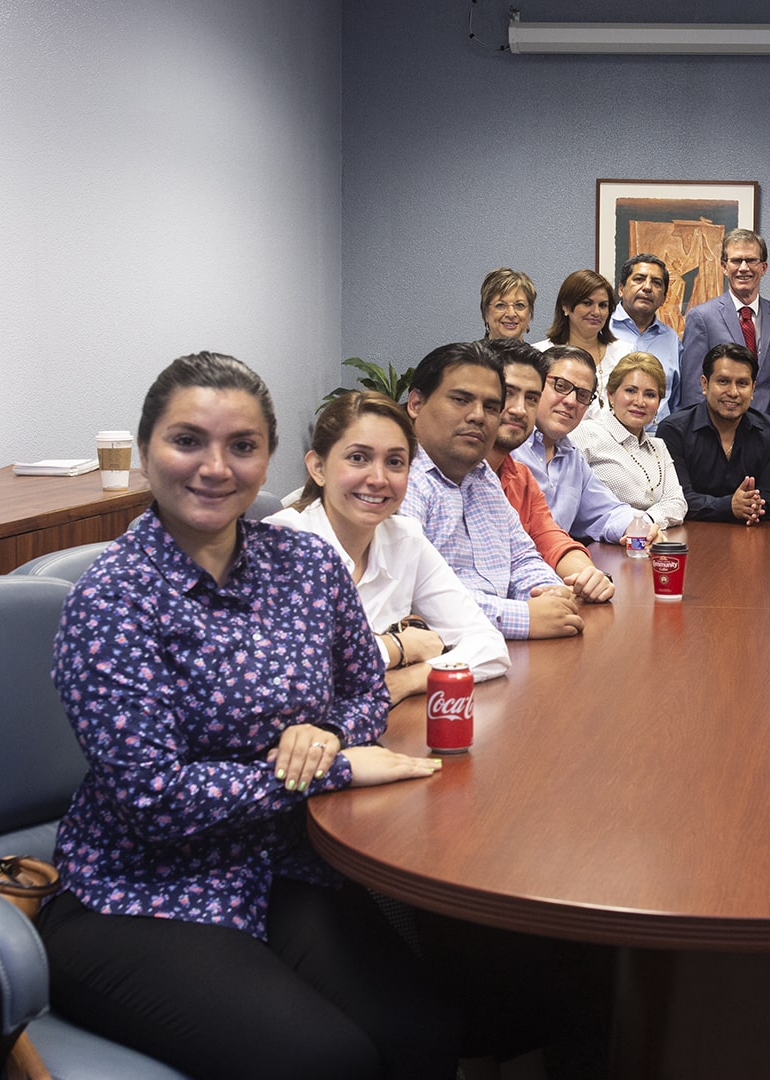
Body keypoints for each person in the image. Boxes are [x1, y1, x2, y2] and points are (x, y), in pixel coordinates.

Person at [37, 352, 469, 1080]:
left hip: (282, 866)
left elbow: (366, 689)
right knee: (322, 1061)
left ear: (269, 459)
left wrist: (326, 730)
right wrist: (327, 769)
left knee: (424, 1035)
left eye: (242, 446)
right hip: (137, 892)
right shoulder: (114, 599)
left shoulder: (306, 565)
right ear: (147, 453)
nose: (215, 467)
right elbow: (156, 801)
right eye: (187, 441)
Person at [266, 390, 511, 705]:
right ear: (318, 468)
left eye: (395, 462)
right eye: (358, 458)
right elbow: (296, 674)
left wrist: (408, 679)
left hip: (375, 721)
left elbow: (489, 648)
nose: (378, 478)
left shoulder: (405, 538)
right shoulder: (284, 540)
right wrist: (401, 647)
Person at [401, 341, 585, 640]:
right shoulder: (400, 480)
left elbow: (522, 556)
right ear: (416, 404)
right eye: (461, 399)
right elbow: (411, 600)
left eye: (490, 406)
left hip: (496, 652)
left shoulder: (482, 475)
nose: (478, 416)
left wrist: (547, 592)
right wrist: (523, 617)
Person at [481, 338, 616, 603]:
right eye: (508, 393)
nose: (520, 410)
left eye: (530, 398)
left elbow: (543, 544)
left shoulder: (517, 476)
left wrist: (586, 576)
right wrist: (531, 612)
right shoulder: (439, 475)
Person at [513, 345, 657, 546]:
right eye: (561, 386)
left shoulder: (572, 457)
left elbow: (606, 512)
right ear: (535, 385)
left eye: (582, 395)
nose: (571, 401)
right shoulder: (507, 448)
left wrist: (642, 528)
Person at [660, 342, 770, 525]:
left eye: (742, 383)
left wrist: (752, 506)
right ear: (705, 384)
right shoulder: (674, 431)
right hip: (691, 536)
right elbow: (677, 498)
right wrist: (729, 506)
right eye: (723, 381)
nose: (733, 392)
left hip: (752, 535)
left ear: (753, 389)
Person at [677, 228, 770, 414]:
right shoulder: (702, 317)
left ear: (763, 268)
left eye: (751, 260)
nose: (743, 268)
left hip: (764, 433)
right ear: (724, 267)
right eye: (736, 261)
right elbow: (693, 389)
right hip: (715, 430)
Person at [573, 351, 688, 528]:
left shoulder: (659, 447)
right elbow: (576, 504)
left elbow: (677, 503)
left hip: (650, 542)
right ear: (611, 395)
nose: (640, 402)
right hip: (598, 546)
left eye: (650, 394)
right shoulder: (586, 435)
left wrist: (644, 523)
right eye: (630, 391)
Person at [602, 253, 680, 421]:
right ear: (621, 289)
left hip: (657, 438)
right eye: (639, 279)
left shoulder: (672, 340)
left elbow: (676, 401)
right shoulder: (601, 329)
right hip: (606, 437)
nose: (647, 287)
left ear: (664, 297)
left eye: (656, 283)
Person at [543, 269, 618, 358]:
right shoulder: (541, 354)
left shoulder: (623, 353)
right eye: (587, 303)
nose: (596, 312)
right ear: (565, 306)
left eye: (603, 305)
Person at [479, 267, 536, 342]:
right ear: (486, 312)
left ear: (530, 312)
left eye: (519, 305)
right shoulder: (469, 353)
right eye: (500, 305)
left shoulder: (537, 354)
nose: (511, 314)